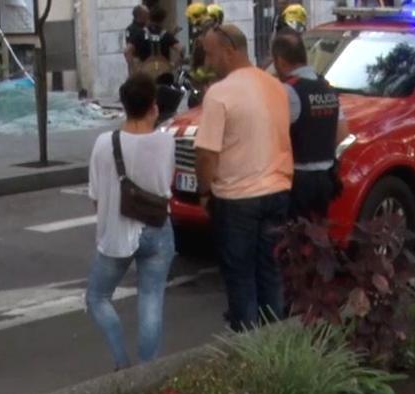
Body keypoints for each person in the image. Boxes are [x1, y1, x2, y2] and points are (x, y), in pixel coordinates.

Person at [193, 24, 293, 331]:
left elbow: (207, 154)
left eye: (210, 55)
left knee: (240, 277)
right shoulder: (276, 86)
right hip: (278, 191)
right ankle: (275, 340)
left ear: (229, 52)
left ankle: (248, 351)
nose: (207, 63)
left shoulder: (219, 94)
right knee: (271, 271)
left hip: (237, 200)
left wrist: (204, 191)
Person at [85, 74, 176, 370]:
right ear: (153, 106)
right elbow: (166, 183)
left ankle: (122, 363)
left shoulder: (103, 143)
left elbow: (96, 198)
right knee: (151, 300)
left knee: (97, 298)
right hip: (158, 229)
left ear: (123, 105)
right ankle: (146, 371)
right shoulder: (166, 143)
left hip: (117, 234)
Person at [271, 33, 349, 219]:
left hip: (297, 180)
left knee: (293, 239)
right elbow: (343, 133)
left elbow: (272, 135)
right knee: (317, 238)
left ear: (280, 61)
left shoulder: (289, 90)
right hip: (326, 178)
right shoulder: (327, 87)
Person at [126, 7, 183, 83]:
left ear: (149, 18)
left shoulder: (140, 33)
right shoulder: (166, 34)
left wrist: (133, 69)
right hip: (164, 72)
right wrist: (173, 65)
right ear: (163, 19)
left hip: (145, 71)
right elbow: (182, 49)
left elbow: (127, 51)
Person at [124, 4, 149, 73]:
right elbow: (128, 50)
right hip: (139, 61)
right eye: (146, 14)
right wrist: (132, 67)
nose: (148, 16)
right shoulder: (133, 29)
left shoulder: (145, 28)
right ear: (140, 15)